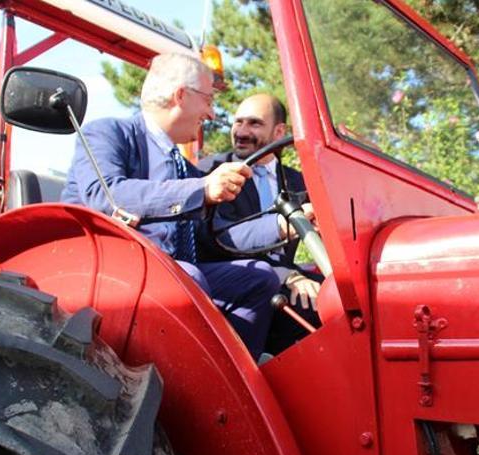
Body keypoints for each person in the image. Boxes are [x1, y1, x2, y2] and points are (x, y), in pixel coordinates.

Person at [61, 53, 288, 359]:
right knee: (187, 279)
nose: (211, 113)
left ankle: (237, 377)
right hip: (107, 268)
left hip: (170, 272)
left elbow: (219, 236)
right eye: (208, 100)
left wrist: (281, 225)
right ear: (181, 95)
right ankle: (194, 383)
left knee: (259, 277)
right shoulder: (107, 133)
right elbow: (106, 195)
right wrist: (203, 188)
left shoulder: (185, 168)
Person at [198, 93, 321, 354]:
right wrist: (285, 275)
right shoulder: (213, 172)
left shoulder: (299, 181)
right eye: (237, 122)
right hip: (236, 282)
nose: (241, 132)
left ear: (279, 132)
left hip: (287, 277)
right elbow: (218, 241)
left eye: (253, 124)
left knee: (344, 299)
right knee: (314, 310)